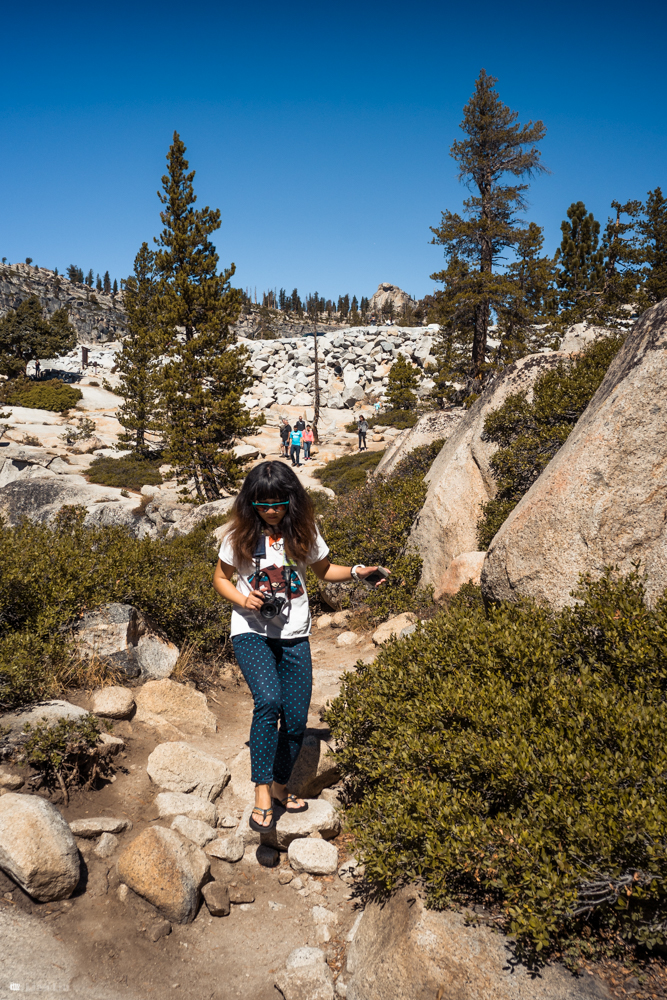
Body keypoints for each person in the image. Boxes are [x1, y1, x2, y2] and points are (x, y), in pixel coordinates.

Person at [212, 461, 389, 831]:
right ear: (251, 503)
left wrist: (359, 572)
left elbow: (325, 571)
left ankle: (279, 787)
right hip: (251, 630)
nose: (273, 511)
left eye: (279, 503)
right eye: (264, 505)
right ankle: (261, 792)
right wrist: (243, 600)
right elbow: (220, 578)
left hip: (294, 632)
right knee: (269, 702)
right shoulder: (238, 536)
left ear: (291, 500)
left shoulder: (304, 531)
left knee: (294, 720)